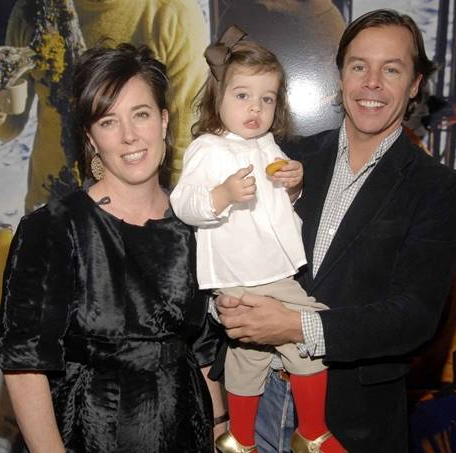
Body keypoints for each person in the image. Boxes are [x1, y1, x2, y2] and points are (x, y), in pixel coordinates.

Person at [216, 9, 456, 453]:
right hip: (257, 402)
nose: (372, 83)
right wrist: (226, 303)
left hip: (350, 419)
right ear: (341, 76)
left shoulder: (436, 187)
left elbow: (413, 317)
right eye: (359, 66)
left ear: (414, 85)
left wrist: (297, 326)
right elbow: (228, 239)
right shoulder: (287, 158)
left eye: (391, 70)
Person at [0, 43, 225, 452]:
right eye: (108, 121)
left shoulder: (196, 224)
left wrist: (221, 432)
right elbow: (25, 366)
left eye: (141, 114)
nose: (129, 135)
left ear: (163, 120)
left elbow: (203, 350)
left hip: (186, 432)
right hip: (86, 437)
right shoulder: (52, 229)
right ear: (91, 138)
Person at [170, 26, 344, 453]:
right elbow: (183, 203)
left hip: (268, 268)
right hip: (246, 272)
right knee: (309, 334)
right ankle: (313, 433)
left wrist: (294, 184)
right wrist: (223, 195)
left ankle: (240, 440)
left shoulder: (267, 143)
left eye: (267, 99)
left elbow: (280, 199)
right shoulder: (208, 148)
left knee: (250, 355)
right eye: (243, 95)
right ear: (218, 98)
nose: (256, 108)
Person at [0, 0, 208, 213]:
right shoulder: (34, 10)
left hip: (133, 215)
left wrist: (166, 220)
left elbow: (184, 142)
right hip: (50, 204)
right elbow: (10, 125)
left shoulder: (173, 13)